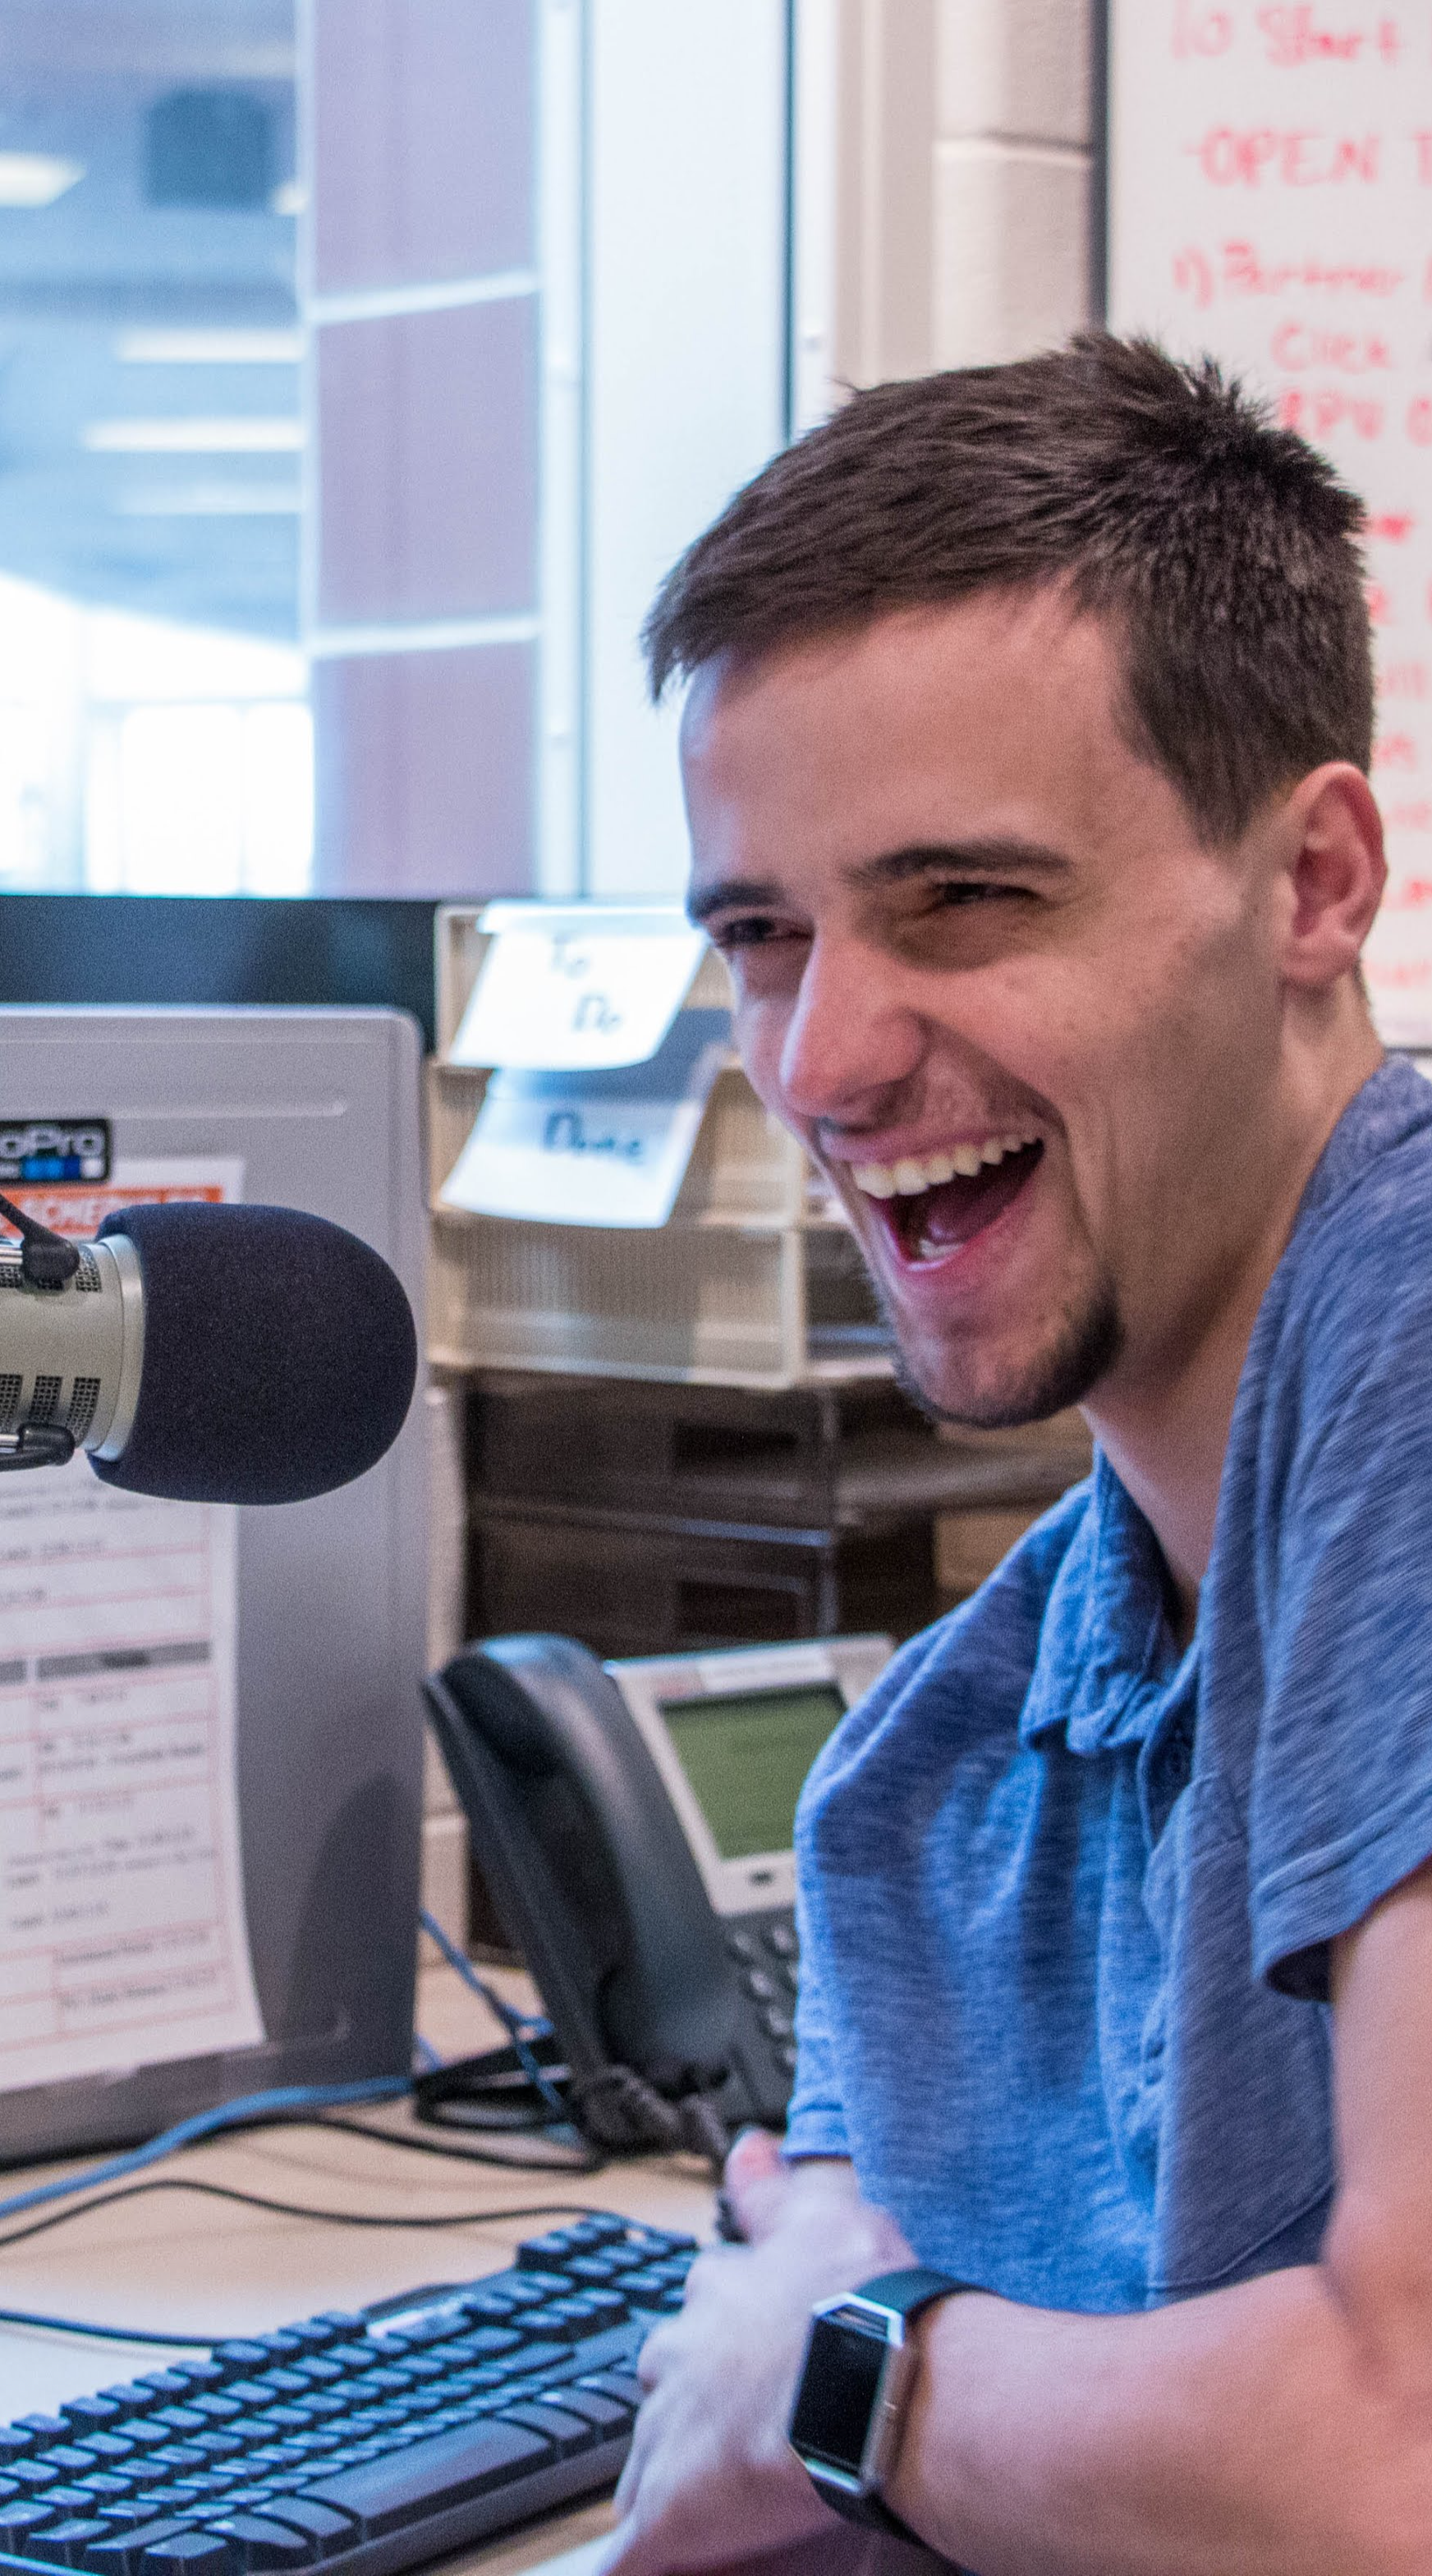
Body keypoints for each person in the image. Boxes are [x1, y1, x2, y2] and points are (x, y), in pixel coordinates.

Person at [600, 333, 1432, 2576]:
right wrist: (833, 2379)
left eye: (963, 901)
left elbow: (1403, 2469)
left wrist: (844, 2369)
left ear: (1317, 881)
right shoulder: (935, 1788)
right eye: (764, 937)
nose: (829, 1060)